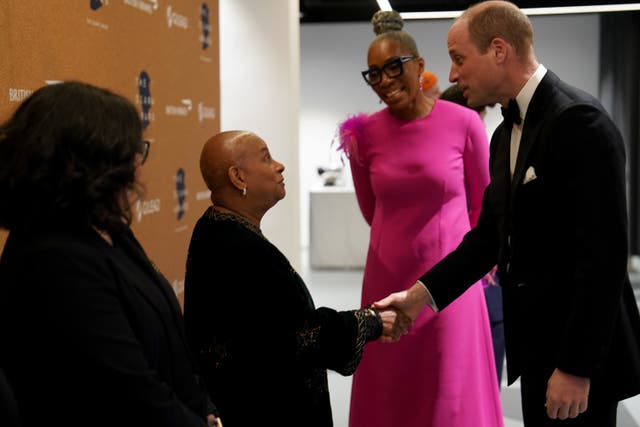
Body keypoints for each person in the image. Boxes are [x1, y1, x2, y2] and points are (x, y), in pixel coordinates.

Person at [376, 2, 640, 426]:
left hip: (578, 360)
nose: (451, 76)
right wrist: (416, 297)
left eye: (459, 59)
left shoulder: (579, 121)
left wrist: (575, 368)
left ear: (499, 50)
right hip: (536, 348)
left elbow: (604, 260)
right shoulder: (503, 135)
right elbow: (488, 239)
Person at [0, 81, 220, 427]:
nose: (139, 168)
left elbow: (174, 350)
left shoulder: (108, 229)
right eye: (130, 153)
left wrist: (207, 413)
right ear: (88, 163)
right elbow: (131, 396)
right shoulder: (53, 260)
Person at [336, 10, 503, 427]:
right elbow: (371, 209)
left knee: (448, 386)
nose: (386, 81)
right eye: (374, 74)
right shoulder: (362, 135)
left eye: (395, 67)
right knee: (392, 384)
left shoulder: (464, 123)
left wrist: (479, 266)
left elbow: (485, 206)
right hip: (387, 275)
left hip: (452, 276)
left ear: (420, 65)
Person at [182, 130, 409, 427]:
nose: (279, 166)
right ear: (238, 178)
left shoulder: (220, 231)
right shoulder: (236, 247)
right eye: (266, 158)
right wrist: (368, 321)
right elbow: (294, 336)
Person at [440, 83, 505, 385]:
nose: (480, 124)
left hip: (481, 264)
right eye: (477, 115)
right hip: (467, 263)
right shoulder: (452, 160)